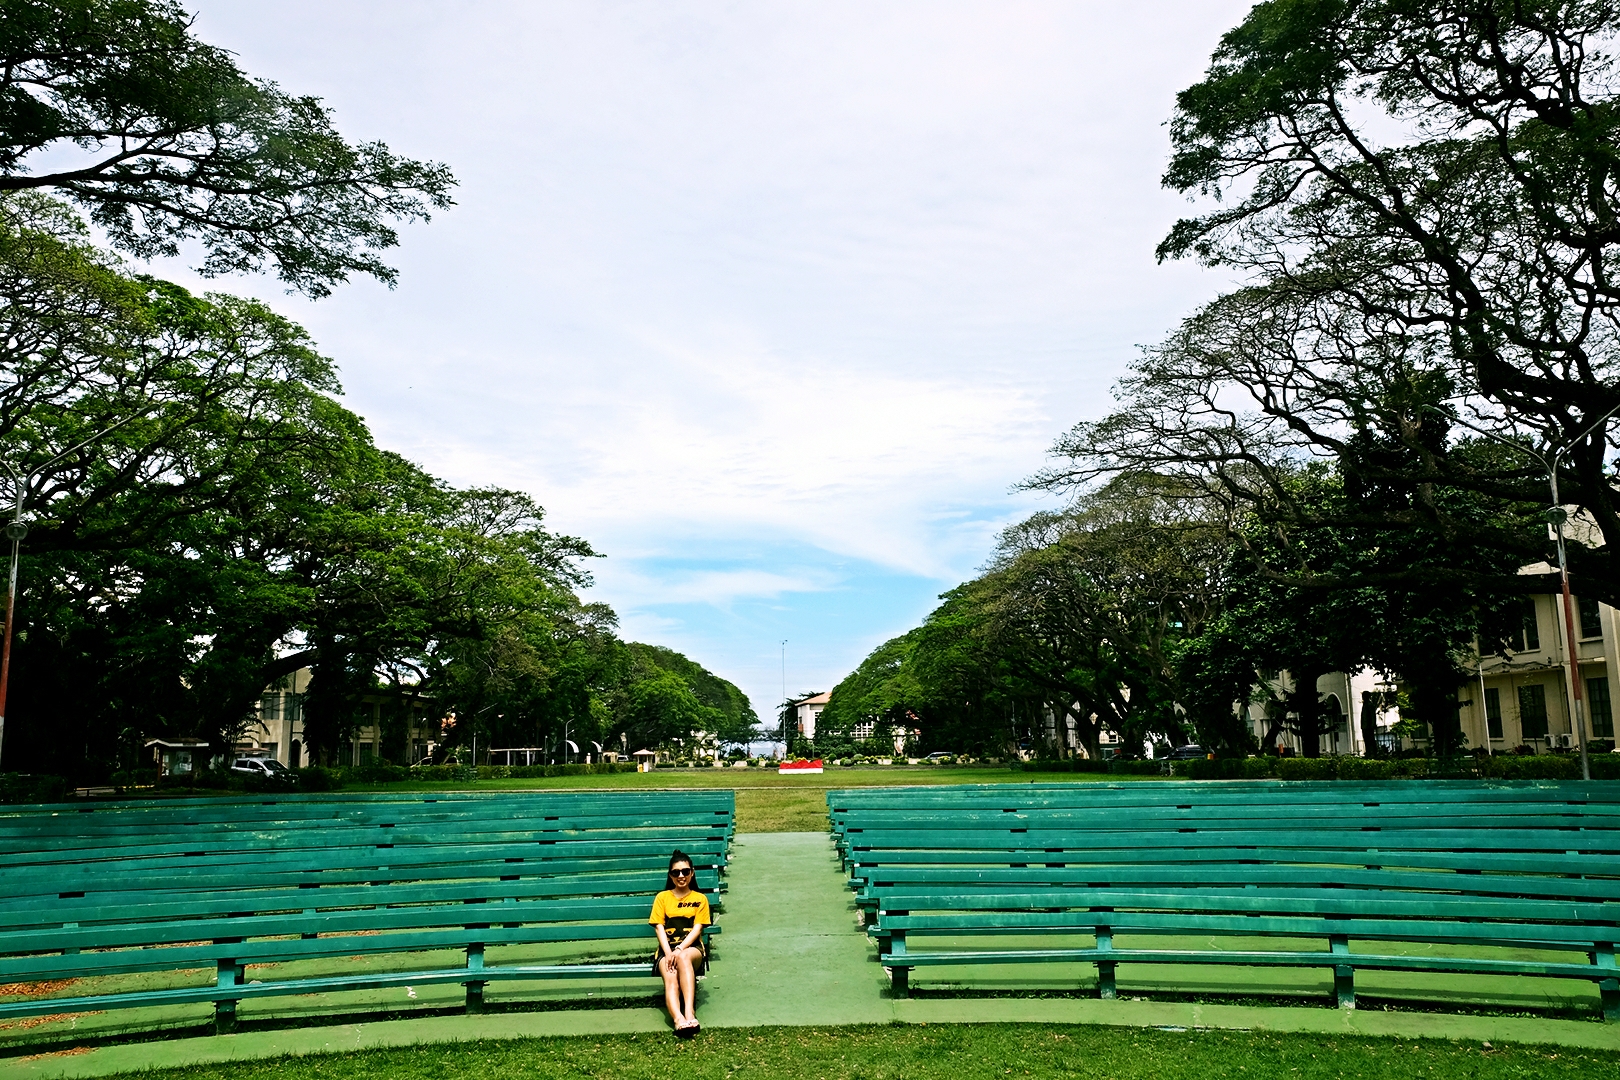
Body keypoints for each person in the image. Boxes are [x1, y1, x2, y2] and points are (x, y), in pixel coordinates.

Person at [648, 849, 710, 1036]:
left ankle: (689, 1012)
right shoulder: (662, 897)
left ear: (692, 872)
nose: (681, 876)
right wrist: (668, 954)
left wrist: (679, 949)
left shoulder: (700, 899)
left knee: (683, 957)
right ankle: (679, 1019)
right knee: (670, 973)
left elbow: (698, 928)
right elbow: (659, 927)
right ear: (670, 875)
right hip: (666, 950)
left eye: (685, 871)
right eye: (676, 872)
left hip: (692, 950)